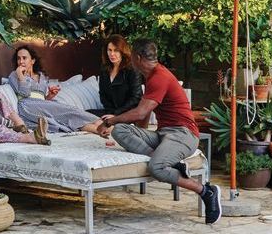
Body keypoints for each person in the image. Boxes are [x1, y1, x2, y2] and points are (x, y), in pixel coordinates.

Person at [95, 39, 222, 224]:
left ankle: (206, 191)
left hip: (183, 134)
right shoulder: (151, 75)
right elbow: (145, 110)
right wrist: (137, 135)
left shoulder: (160, 77)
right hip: (164, 134)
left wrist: (110, 121)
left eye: (132, 58)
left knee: (156, 167)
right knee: (121, 131)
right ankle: (171, 162)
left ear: (138, 58)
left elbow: (140, 112)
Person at [8, 45, 100, 134]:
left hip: (41, 106)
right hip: (27, 107)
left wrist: (50, 96)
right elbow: (25, 94)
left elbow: (42, 100)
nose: (21, 61)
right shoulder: (14, 75)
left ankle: (99, 129)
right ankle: (99, 122)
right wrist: (21, 76)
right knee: (66, 111)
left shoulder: (42, 76)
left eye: (24, 58)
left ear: (32, 60)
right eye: (18, 58)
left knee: (65, 114)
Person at [93, 35, 144, 118]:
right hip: (110, 112)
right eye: (109, 50)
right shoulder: (104, 69)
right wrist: (110, 112)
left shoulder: (132, 69)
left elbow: (136, 97)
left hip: (129, 113)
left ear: (122, 51)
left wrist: (116, 114)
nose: (112, 54)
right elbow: (102, 95)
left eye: (116, 50)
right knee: (84, 114)